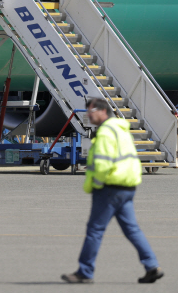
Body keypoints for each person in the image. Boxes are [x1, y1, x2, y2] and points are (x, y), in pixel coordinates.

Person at [61, 98, 163, 284]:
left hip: (109, 188)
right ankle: (152, 266)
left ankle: (84, 272)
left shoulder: (106, 133)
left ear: (102, 111)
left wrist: (96, 185)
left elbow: (102, 163)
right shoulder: (121, 130)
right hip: (127, 186)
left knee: (95, 230)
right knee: (132, 229)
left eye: (91, 111)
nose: (88, 115)